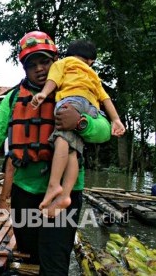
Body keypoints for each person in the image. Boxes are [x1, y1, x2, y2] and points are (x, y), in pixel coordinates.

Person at [0, 31, 111, 274]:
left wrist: (82, 122)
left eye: (45, 62)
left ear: (55, 62)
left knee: (54, 263)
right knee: (30, 256)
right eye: (32, 65)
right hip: (25, 191)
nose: (40, 69)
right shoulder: (13, 98)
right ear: (24, 68)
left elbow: (105, 131)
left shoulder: (74, 90)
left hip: (65, 194)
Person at [30, 39, 126, 216]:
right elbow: (105, 99)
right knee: (73, 150)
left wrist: (43, 93)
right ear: (91, 61)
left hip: (71, 101)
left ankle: (54, 184)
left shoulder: (63, 63)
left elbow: (53, 79)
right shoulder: (92, 74)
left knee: (61, 138)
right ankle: (65, 195)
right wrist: (116, 120)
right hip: (92, 108)